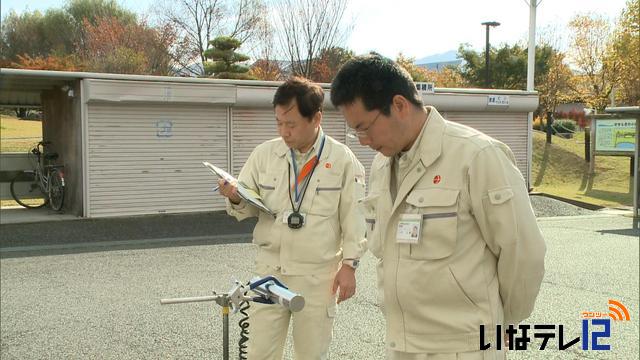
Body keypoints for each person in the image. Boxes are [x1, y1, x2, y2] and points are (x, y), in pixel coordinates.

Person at [330, 53, 546, 360]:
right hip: (401, 343)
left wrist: (504, 321)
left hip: (464, 346)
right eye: (356, 132)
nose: (362, 141)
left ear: (400, 105)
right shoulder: (381, 166)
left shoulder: (476, 155)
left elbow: (523, 252)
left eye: (365, 128)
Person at [217, 76, 366, 360]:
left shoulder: (343, 160)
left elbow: (354, 217)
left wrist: (350, 265)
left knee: (311, 353)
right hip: (269, 271)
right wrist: (235, 196)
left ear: (316, 118)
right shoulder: (264, 155)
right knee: (259, 353)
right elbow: (247, 206)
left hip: (318, 275)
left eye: (292, 124)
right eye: (279, 123)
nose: (284, 132)